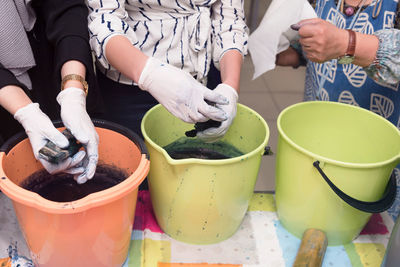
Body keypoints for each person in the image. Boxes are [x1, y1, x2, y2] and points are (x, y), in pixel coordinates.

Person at [276, 0, 400, 219]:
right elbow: (321, 41)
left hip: (379, 173)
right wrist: (294, 52)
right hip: (319, 151)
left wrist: (349, 44)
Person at [86, 0, 248, 143]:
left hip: (203, 75)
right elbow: (103, 18)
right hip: (130, 82)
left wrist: (230, 87)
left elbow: (230, 20)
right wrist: (150, 74)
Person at [0, 0, 102, 184]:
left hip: (57, 53)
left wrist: (73, 90)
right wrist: (26, 113)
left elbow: (66, 9)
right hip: (5, 98)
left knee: (83, 139)